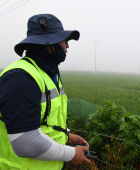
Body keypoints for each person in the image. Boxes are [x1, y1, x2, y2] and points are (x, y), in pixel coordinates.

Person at [0, 14, 91, 170]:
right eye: (65, 41)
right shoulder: (20, 78)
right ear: (48, 44)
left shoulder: (47, 74)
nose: (67, 46)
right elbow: (25, 141)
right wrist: (70, 154)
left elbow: (46, 120)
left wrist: (66, 135)